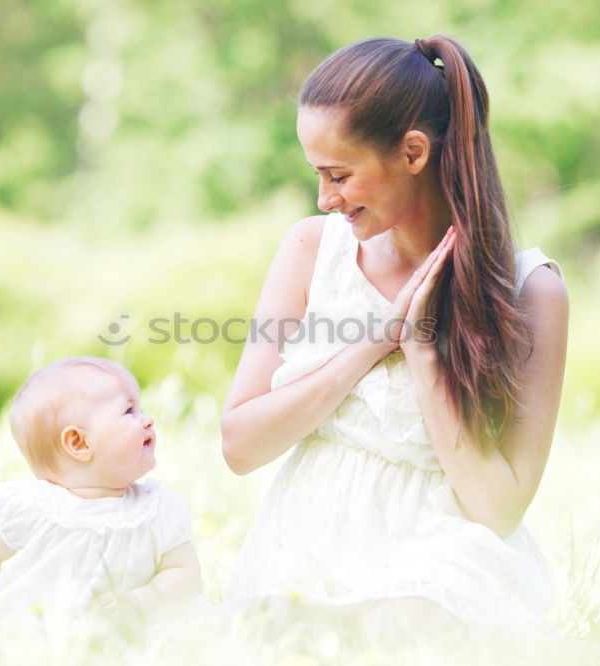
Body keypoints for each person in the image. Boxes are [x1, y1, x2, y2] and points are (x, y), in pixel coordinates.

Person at [220, 34, 569, 644]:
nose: (326, 199)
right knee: (276, 630)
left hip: (444, 549)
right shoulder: (311, 250)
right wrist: (372, 343)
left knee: (405, 625)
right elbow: (240, 445)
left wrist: (422, 349)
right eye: (319, 176)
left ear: (413, 153)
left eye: (339, 175)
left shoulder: (530, 290)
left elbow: (499, 508)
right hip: (312, 537)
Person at [0, 356, 202, 617]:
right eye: (129, 412)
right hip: (41, 628)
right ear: (79, 443)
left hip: (133, 636)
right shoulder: (38, 508)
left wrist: (141, 601)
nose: (148, 420)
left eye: (140, 410)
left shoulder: (156, 509)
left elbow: (185, 573)